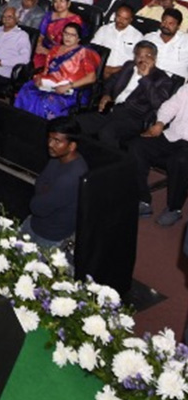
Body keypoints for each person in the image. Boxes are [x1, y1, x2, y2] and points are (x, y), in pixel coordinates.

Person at [72, 41, 176, 149]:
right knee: (78, 123)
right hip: (111, 109)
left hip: (133, 118)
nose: (143, 59)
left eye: (147, 56)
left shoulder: (163, 79)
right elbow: (111, 82)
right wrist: (107, 95)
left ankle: (112, 162)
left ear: (154, 58)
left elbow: (158, 104)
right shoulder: (129, 66)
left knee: (107, 133)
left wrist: (145, 78)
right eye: (139, 55)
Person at [20, 118, 89, 249]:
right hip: (35, 224)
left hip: (48, 236)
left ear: (72, 146)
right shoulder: (58, 157)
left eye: (57, 141)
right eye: (50, 139)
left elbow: (38, 207)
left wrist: (44, 191)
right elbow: (40, 183)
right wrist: (45, 190)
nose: (50, 144)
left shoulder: (71, 176)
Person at [14, 22, 100, 120]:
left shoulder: (84, 53)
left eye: (72, 35)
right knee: (27, 91)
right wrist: (39, 78)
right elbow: (46, 70)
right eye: (66, 33)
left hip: (71, 89)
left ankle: (44, 128)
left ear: (78, 38)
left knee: (45, 102)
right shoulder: (55, 50)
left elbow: (92, 77)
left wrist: (68, 86)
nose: (68, 37)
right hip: (50, 85)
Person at [133, 82, 188, 227]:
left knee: (180, 160)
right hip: (173, 135)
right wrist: (160, 123)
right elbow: (171, 105)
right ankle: (143, 199)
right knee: (138, 146)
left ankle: (174, 209)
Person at [33, 0, 84, 69]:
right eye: (55, 1)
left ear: (68, 3)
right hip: (44, 47)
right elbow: (41, 34)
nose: (58, 4)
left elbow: (73, 43)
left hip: (63, 52)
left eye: (61, 1)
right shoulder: (48, 15)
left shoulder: (75, 20)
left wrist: (48, 52)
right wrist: (39, 46)